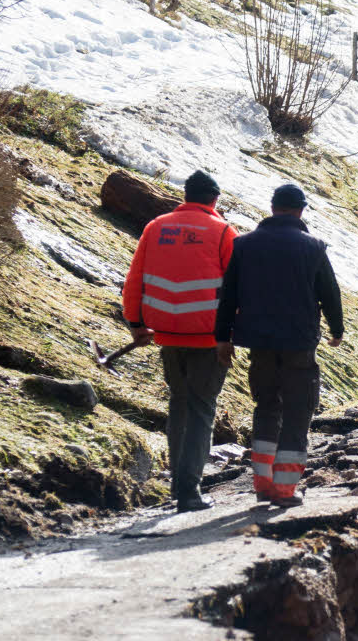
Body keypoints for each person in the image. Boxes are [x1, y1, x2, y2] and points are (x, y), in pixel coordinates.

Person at [215, 184, 344, 508]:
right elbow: (330, 293)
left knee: (267, 408)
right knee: (298, 411)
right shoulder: (313, 247)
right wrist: (337, 330)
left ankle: (262, 484)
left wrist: (222, 337)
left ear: (272, 208)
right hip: (299, 343)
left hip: (258, 344)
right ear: (300, 211)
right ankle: (285, 490)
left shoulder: (244, 245)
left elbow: (227, 295)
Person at [122, 170, 239, 513]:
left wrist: (135, 323)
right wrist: (232, 334)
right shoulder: (222, 232)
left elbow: (135, 278)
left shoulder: (156, 226)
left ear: (185, 195)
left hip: (166, 335)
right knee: (201, 410)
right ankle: (189, 491)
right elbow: (237, 289)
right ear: (214, 200)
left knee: (179, 405)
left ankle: (178, 486)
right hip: (207, 338)